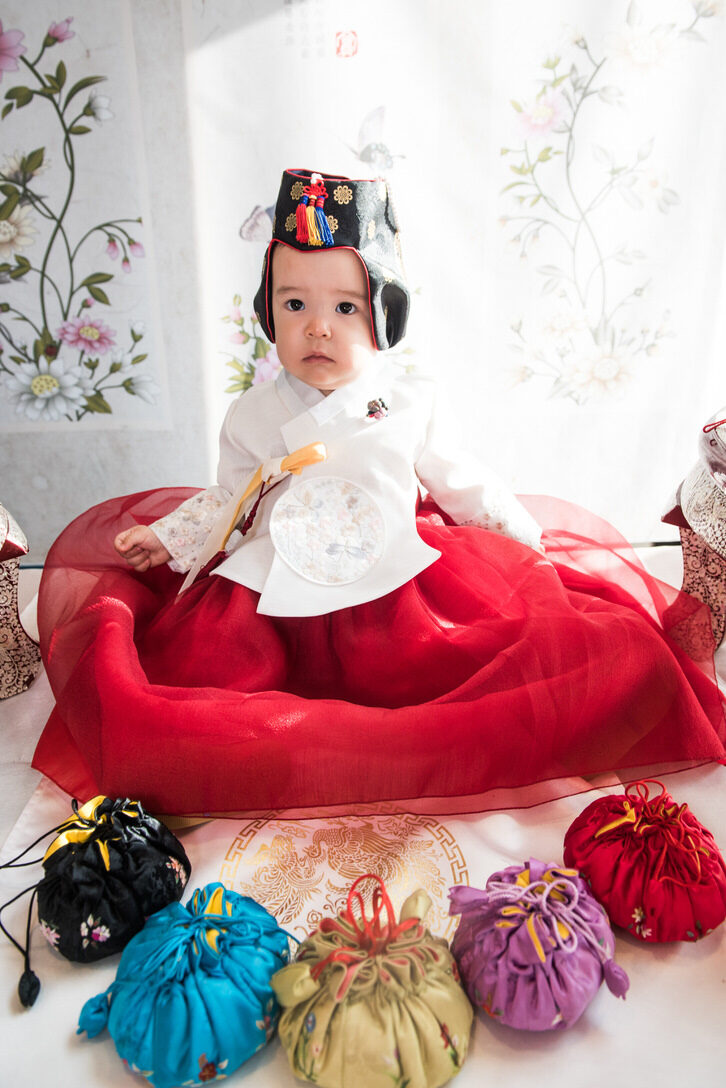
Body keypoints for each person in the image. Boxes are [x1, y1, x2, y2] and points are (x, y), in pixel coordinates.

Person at [33, 169, 726, 818]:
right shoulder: (252, 414)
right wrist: (170, 536)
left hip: (392, 584)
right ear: (268, 312)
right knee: (213, 688)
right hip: (271, 595)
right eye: (294, 303)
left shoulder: (406, 402)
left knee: (457, 671)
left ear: (384, 314)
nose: (318, 327)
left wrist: (520, 537)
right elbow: (230, 499)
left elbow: (458, 477)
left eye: (344, 306)